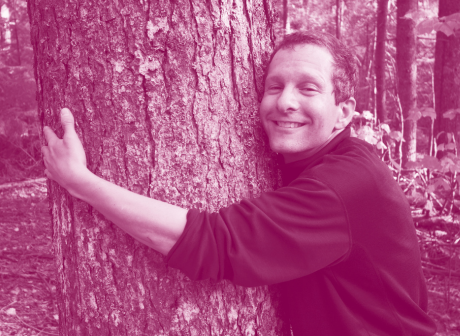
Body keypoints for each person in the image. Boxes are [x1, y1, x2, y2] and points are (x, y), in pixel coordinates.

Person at [42, 31, 436, 335]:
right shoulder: (317, 166)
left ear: (343, 112)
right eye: (275, 86)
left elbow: (216, 245)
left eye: (308, 88)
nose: (285, 102)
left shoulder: (343, 185)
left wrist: (80, 181)